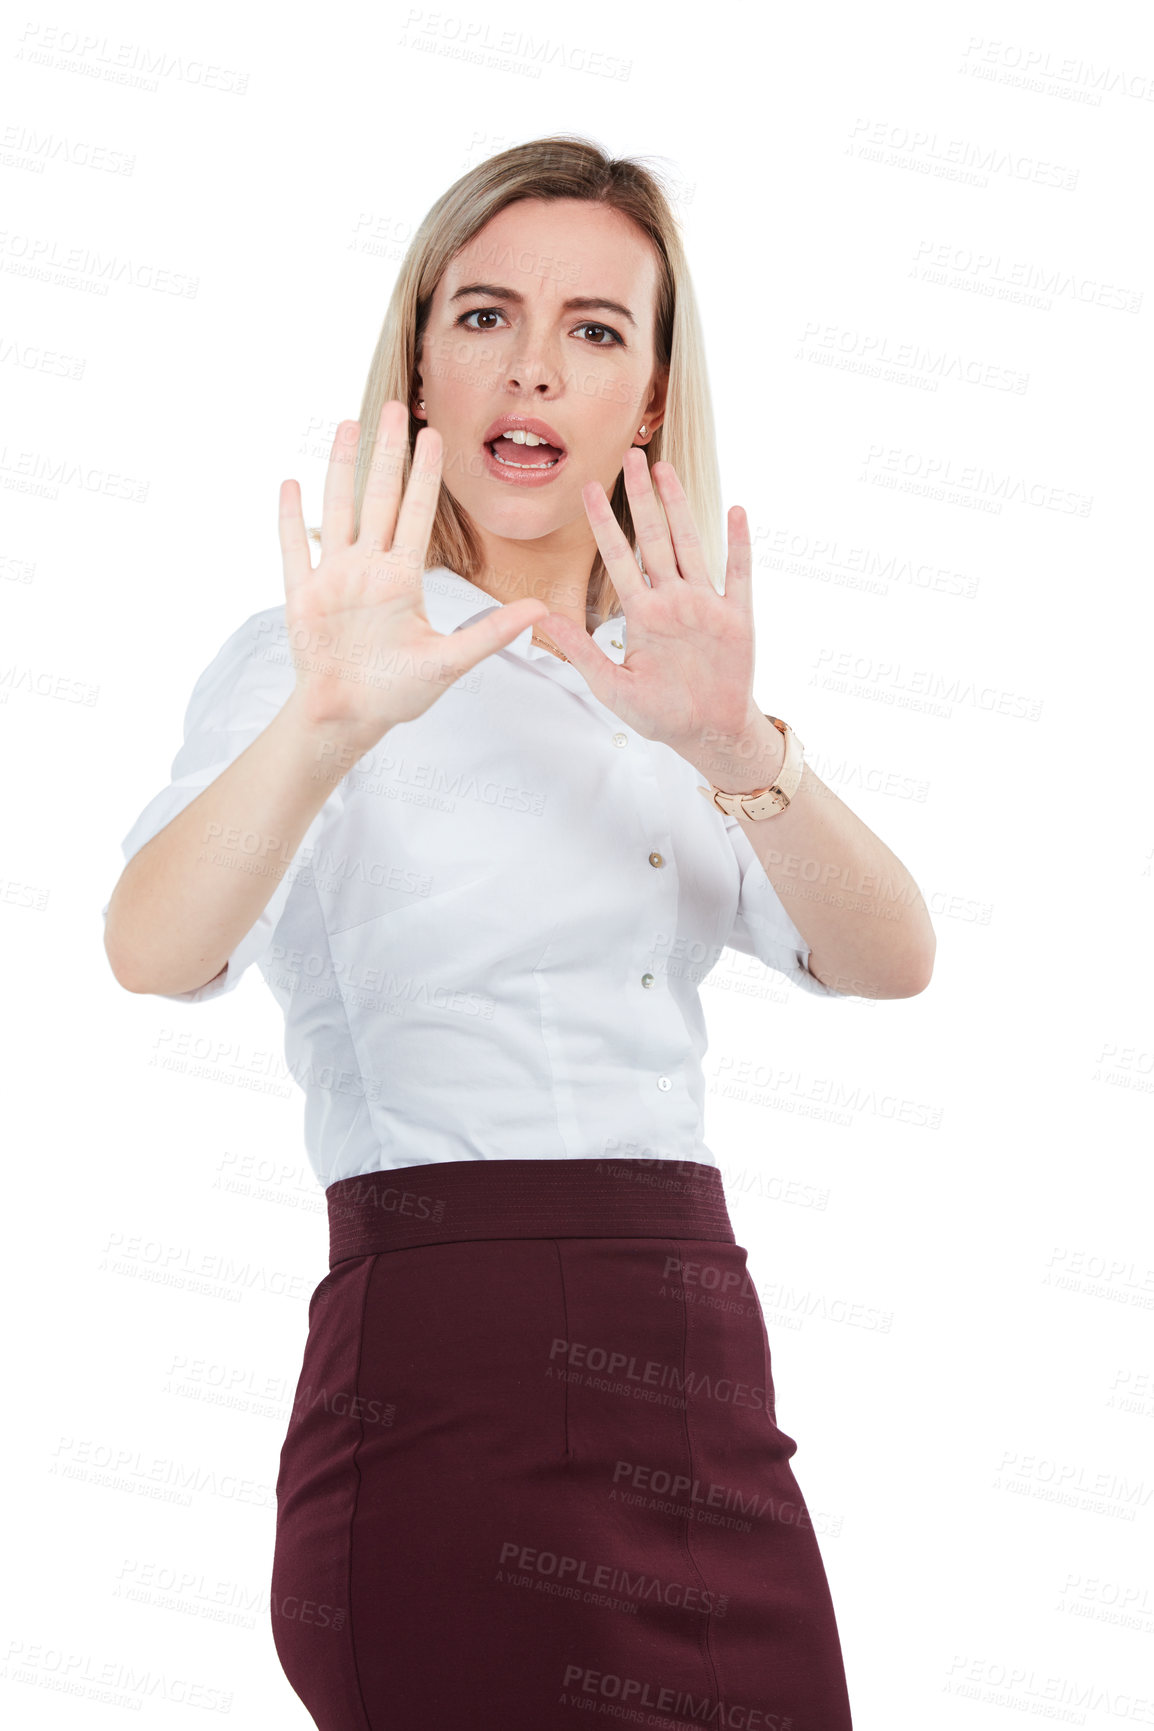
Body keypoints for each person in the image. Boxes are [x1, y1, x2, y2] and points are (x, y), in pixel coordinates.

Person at [103, 135, 935, 1731]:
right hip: (444, 1363)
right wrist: (326, 721)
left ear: (649, 393)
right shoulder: (317, 658)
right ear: (419, 356)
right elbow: (154, 948)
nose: (533, 369)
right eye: (484, 315)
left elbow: (888, 958)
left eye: (596, 330)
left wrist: (737, 746)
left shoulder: (675, 677)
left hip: (695, 1349)